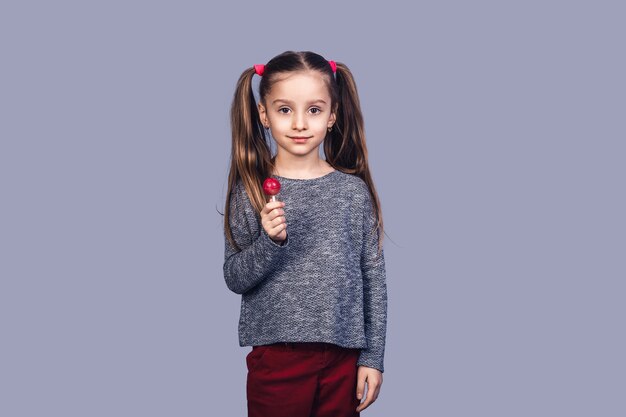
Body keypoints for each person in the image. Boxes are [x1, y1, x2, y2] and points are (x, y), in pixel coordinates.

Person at [222, 50, 388, 417]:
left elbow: (372, 279)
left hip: (343, 358)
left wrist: (373, 357)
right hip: (277, 358)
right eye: (285, 109)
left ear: (332, 115)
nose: (299, 123)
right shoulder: (250, 190)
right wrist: (269, 242)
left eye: (313, 110)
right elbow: (234, 277)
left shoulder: (351, 192)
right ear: (263, 114)